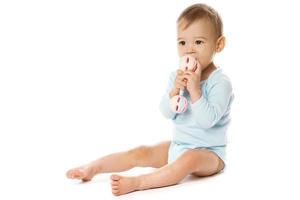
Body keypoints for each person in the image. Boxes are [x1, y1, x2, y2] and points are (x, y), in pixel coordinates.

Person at [66, 3, 234, 196]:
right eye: (182, 43)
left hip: (210, 154)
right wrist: (175, 90)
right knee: (141, 152)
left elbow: (207, 120)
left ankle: (138, 183)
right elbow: (166, 111)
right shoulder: (176, 77)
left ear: (218, 44)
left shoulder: (220, 83)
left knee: (189, 159)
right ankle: (92, 168)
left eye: (198, 42)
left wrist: (195, 90)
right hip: (179, 145)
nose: (189, 50)